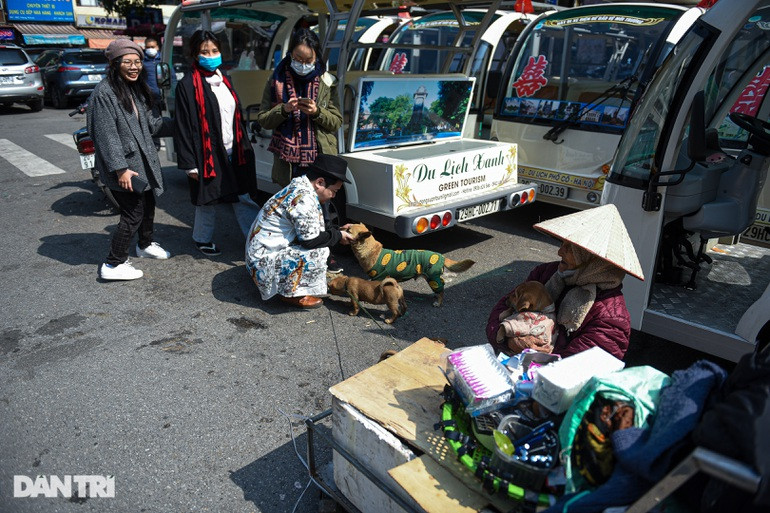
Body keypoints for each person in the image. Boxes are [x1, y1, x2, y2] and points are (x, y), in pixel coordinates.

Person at [486, 204, 644, 360]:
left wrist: (539, 356)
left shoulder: (611, 317)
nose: (560, 251)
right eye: (563, 244)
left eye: (570, 248)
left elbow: (578, 366)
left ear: (593, 260)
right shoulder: (545, 273)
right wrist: (507, 340)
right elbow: (505, 306)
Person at [255, 28, 344, 272]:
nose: (302, 64)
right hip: (289, 161)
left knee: (322, 210)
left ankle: (325, 255)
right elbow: (263, 119)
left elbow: (336, 121)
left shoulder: (327, 81)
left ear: (317, 57)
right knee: (292, 211)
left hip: (318, 159)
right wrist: (283, 110)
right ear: (290, 54)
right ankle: (294, 257)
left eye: (308, 60)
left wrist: (317, 112)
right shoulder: (275, 79)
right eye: (298, 58)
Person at [89, 39, 174, 281]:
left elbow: (151, 125)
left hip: (142, 162)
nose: (134, 66)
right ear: (115, 64)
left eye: (137, 62)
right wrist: (120, 169)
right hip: (125, 167)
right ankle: (113, 263)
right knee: (133, 213)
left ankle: (145, 244)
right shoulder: (104, 93)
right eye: (128, 62)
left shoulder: (134, 89)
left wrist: (181, 124)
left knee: (148, 203)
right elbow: (106, 135)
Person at [174, 30, 260, 256]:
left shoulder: (225, 80)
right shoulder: (187, 85)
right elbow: (182, 126)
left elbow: (236, 117)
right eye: (205, 52)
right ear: (195, 54)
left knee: (243, 196)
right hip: (207, 154)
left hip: (234, 149)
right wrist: (190, 164)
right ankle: (202, 238)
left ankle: (257, 239)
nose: (210, 56)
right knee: (208, 199)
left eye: (214, 51)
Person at [246, 154, 355, 309]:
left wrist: (338, 231)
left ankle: (284, 281)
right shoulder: (304, 199)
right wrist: (338, 236)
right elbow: (310, 241)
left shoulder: (300, 186)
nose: (334, 195)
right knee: (319, 251)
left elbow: (311, 228)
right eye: (334, 191)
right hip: (261, 261)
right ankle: (291, 293)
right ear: (320, 182)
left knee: (320, 244)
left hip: (259, 253)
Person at [143, 36, 163, 150]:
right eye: (148, 47)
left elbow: (172, 76)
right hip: (150, 96)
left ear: (157, 47)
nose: (150, 49)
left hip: (164, 95)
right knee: (154, 120)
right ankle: (156, 143)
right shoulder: (143, 62)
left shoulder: (163, 59)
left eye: (152, 46)